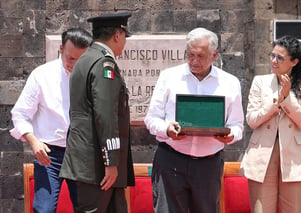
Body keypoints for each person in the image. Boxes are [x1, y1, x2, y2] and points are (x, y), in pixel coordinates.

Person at [144, 27, 244, 213]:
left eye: (201, 56)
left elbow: (237, 125)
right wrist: (167, 128)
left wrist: (230, 135)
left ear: (214, 55)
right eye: (190, 55)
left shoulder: (229, 83)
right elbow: (151, 119)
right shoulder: (169, 77)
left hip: (208, 164)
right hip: (171, 159)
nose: (194, 61)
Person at [10, 28, 92, 212]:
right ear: (61, 49)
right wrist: (34, 142)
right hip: (49, 154)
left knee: (87, 208)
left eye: (81, 59)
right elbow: (20, 114)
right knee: (44, 208)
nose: (75, 64)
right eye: (71, 58)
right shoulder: (42, 75)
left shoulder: (92, 76)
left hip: (81, 153)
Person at [59, 12, 135, 213]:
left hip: (92, 162)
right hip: (98, 166)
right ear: (117, 35)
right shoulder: (103, 63)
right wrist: (111, 162)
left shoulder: (86, 59)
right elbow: (105, 114)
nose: (124, 42)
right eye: (125, 36)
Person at [240, 35, 301, 213]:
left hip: (294, 158)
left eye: (280, 58)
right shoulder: (260, 82)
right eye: (272, 55)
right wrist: (276, 102)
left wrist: (287, 97)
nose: (273, 61)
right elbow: (251, 119)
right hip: (262, 156)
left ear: (294, 62)